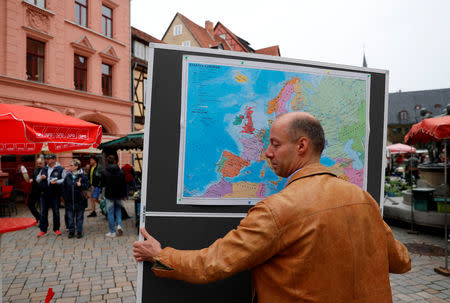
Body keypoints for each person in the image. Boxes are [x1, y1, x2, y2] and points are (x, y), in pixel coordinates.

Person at [133, 112, 411, 302]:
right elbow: (401, 261)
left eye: (275, 144)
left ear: (301, 146)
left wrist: (160, 255)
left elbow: (212, 264)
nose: (267, 152)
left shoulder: (277, 210)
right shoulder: (363, 199)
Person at [36, 154, 66, 237]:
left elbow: (65, 179)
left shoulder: (60, 169)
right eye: (46, 159)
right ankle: (43, 230)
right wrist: (41, 178)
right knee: (43, 212)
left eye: (48, 159)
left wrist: (57, 182)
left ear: (54, 160)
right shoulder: (44, 168)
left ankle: (56, 229)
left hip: (55, 194)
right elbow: (37, 179)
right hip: (44, 193)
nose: (47, 160)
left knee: (56, 211)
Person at [62, 159, 90, 239]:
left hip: (80, 201)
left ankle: (79, 232)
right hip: (69, 201)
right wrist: (65, 197)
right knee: (70, 217)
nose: (69, 167)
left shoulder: (83, 175)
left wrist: (81, 185)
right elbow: (63, 187)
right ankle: (71, 231)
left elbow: (88, 186)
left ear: (76, 166)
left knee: (79, 217)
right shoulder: (68, 176)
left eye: (71, 165)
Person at [102, 155, 127, 237]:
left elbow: (103, 184)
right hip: (119, 194)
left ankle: (112, 232)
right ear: (115, 161)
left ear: (107, 162)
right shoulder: (121, 172)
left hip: (109, 194)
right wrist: (124, 195)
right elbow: (124, 184)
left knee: (110, 212)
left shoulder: (104, 172)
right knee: (118, 210)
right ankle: (119, 225)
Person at [26, 157, 44, 224]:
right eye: (37, 163)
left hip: (42, 191)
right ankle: (38, 216)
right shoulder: (35, 169)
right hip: (33, 190)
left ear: (43, 163)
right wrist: (31, 179)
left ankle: (42, 221)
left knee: (42, 207)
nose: (38, 165)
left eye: (40, 163)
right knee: (29, 204)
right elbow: (32, 176)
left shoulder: (45, 170)